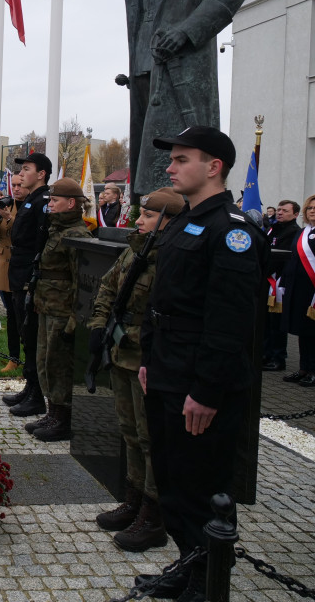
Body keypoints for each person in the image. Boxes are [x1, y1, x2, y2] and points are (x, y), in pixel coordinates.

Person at [135, 126, 264, 601]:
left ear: (214, 167)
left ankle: (207, 583)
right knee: (172, 485)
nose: (170, 167)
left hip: (199, 384)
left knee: (199, 487)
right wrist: (149, 360)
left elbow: (230, 322)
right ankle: (188, 565)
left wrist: (207, 389)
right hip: (168, 372)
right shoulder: (189, 222)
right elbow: (162, 302)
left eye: (181, 159)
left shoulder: (231, 230)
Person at [120, 0, 247, 199]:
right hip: (144, 62)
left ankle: (180, 206)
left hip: (181, 62)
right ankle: (147, 210)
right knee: (150, 144)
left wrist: (186, 31)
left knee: (183, 140)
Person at [88, 187, 183, 552]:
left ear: (166, 221)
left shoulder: (171, 258)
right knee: (128, 431)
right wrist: (98, 327)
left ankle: (153, 515)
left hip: (148, 359)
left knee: (150, 438)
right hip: (121, 351)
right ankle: (133, 498)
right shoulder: (134, 250)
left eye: (146, 216)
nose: (137, 220)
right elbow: (107, 289)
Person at [23, 178, 92, 442]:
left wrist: (74, 319)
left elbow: (81, 282)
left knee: (59, 365)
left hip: (62, 312)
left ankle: (63, 418)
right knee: (45, 362)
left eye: (54, 200)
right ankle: (53, 412)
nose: (49, 204)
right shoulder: (55, 230)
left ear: (71, 203)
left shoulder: (76, 234)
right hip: (46, 306)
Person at [3, 153, 52, 418]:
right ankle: (29, 387)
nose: (21, 174)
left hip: (28, 277)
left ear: (41, 174)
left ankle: (36, 396)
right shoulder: (31, 200)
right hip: (18, 274)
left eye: (27, 169)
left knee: (31, 335)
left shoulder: (43, 201)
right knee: (25, 333)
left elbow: (40, 242)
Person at [280, 194, 315, 387]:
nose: (312, 211)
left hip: (312, 290)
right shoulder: (302, 232)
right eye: (309, 208)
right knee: (303, 330)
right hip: (298, 289)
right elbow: (293, 259)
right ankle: (304, 367)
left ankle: (313, 370)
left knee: (313, 331)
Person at [0, 186, 23, 372]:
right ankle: (13, 357)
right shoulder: (5, 207)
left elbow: (25, 232)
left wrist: (9, 217)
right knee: (11, 313)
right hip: (4, 268)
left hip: (21, 266)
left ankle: (27, 357)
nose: (16, 189)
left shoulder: (28, 206)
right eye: (14, 186)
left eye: (20, 185)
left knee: (23, 314)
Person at [263, 199, 301, 371]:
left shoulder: (294, 232)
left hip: (279, 282)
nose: (279, 212)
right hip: (267, 280)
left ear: (295, 214)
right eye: (278, 209)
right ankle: (265, 354)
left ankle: (278, 358)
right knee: (266, 321)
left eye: (285, 210)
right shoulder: (273, 229)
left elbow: (282, 257)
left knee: (277, 323)